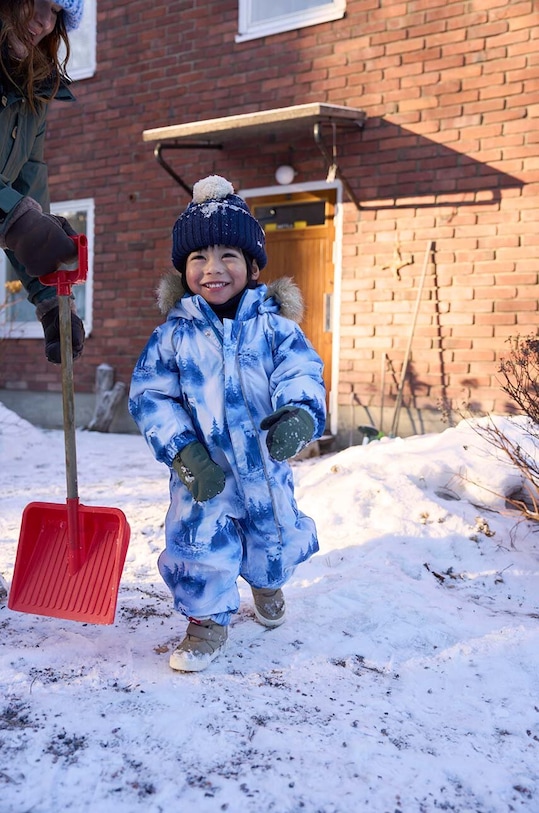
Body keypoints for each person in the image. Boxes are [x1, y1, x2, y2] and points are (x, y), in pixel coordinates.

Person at [129, 175, 327, 672]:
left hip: (263, 461)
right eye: (199, 258)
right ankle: (207, 620)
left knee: (271, 530)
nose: (213, 269)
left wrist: (299, 412)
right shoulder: (172, 335)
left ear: (253, 266)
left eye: (228, 257)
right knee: (200, 539)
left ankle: (265, 581)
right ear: (183, 269)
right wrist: (182, 451)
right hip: (204, 469)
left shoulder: (277, 327)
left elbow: (300, 371)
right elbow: (151, 395)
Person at [0, 0, 85, 364]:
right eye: (38, 3)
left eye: (57, 14)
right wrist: (18, 220)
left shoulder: (32, 92)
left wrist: (50, 297)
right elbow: (15, 212)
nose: (43, 22)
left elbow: (26, 189)